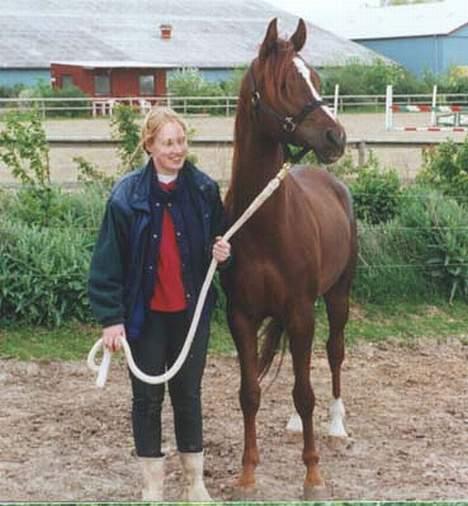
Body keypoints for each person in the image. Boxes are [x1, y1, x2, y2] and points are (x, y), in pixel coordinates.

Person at [88, 107, 231, 501]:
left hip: (190, 316)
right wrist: (110, 319)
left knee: (188, 396)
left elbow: (218, 238)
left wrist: (221, 251)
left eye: (181, 141)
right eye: (168, 142)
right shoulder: (125, 196)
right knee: (147, 400)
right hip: (144, 319)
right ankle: (153, 488)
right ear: (149, 145)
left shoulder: (203, 190)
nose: (177, 150)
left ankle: (195, 484)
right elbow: (106, 263)